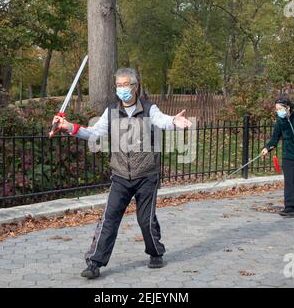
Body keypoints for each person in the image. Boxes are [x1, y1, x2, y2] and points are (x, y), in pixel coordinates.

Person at [51, 68, 193, 279]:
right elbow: (93, 133)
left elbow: (161, 120)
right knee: (109, 218)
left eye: (126, 85)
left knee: (145, 220)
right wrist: (69, 126)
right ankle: (94, 263)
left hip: (146, 175)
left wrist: (173, 121)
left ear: (135, 87)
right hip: (120, 176)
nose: (122, 89)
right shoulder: (111, 111)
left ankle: (155, 252)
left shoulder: (148, 108)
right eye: (118, 85)